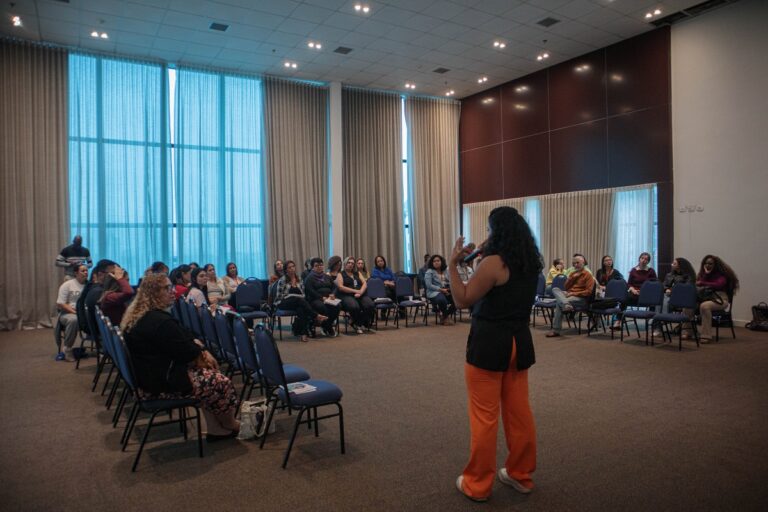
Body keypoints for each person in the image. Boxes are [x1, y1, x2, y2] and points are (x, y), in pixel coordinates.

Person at [447, 206, 542, 502]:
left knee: (484, 417)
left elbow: (463, 299)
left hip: (490, 343)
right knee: (518, 412)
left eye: (489, 230)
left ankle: (478, 484)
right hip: (519, 342)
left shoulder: (493, 264)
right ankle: (520, 474)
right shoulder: (531, 262)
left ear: (496, 231)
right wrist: (484, 253)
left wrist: (452, 264)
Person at [121, 273, 240, 441]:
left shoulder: (144, 315)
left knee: (206, 372)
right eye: (167, 288)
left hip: (148, 379)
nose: (173, 291)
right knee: (220, 382)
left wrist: (201, 349)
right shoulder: (158, 321)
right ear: (153, 293)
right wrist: (201, 350)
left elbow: (185, 335)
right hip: (159, 386)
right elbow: (187, 352)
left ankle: (215, 428)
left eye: (172, 287)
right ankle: (230, 425)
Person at [275, 261, 328, 342]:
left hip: (298, 301)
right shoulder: (282, 280)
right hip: (283, 302)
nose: (292, 268)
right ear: (286, 270)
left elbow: (303, 294)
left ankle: (304, 333)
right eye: (289, 267)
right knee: (299, 300)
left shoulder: (299, 278)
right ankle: (316, 316)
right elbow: (279, 296)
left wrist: (296, 297)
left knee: (301, 308)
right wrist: (291, 296)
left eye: (293, 266)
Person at [546, 254, 595, 337]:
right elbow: (566, 287)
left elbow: (588, 292)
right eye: (573, 263)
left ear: (583, 262)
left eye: (577, 263)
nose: (575, 265)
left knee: (559, 303)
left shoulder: (588, 275)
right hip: (569, 296)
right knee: (555, 289)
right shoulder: (572, 274)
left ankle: (556, 330)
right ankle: (566, 304)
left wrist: (573, 293)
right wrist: (571, 278)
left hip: (582, 299)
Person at [696, 255, 739, 342]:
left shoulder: (722, 275)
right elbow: (698, 284)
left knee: (704, 306)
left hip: (721, 299)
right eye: (706, 263)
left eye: (710, 264)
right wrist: (706, 275)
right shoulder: (703, 274)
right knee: (688, 305)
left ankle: (706, 335)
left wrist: (702, 282)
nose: (708, 265)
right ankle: (687, 331)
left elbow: (718, 285)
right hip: (706, 298)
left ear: (715, 265)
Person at [55, 264, 88, 361]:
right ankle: (67, 349)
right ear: (76, 273)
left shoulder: (89, 285)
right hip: (67, 313)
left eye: (86, 270)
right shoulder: (67, 285)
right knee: (74, 320)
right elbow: (60, 303)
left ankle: (103, 348)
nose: (86, 272)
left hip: (84, 313)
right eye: (83, 271)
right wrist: (75, 312)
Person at [335, 256, 375, 334]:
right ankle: (358, 324)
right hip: (347, 295)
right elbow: (340, 287)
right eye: (349, 263)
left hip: (360, 294)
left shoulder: (357, 273)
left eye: (352, 263)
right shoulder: (340, 274)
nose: (350, 265)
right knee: (354, 306)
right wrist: (355, 291)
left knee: (370, 305)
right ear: (345, 263)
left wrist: (360, 292)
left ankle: (357, 323)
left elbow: (365, 283)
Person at [303, 257, 340, 337]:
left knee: (338, 306)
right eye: (317, 265)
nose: (319, 267)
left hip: (329, 298)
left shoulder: (327, 276)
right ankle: (328, 327)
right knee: (323, 307)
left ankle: (325, 325)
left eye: (321, 265)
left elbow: (335, 287)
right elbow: (310, 291)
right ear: (313, 267)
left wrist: (333, 294)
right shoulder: (309, 278)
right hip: (315, 299)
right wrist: (321, 298)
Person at [425, 254, 455, 325]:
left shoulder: (445, 271)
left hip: (446, 290)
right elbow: (429, 285)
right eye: (434, 261)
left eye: (438, 260)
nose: (436, 262)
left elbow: (451, 281)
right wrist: (441, 290)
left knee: (458, 301)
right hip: (434, 292)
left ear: (441, 262)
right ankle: (445, 317)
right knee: (442, 300)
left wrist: (448, 289)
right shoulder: (429, 272)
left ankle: (444, 316)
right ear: (432, 263)